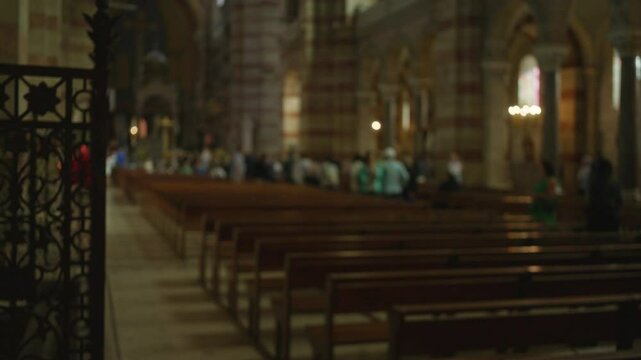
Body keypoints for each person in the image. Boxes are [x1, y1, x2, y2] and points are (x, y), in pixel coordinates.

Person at [586, 158, 622, 232]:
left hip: (594, 220)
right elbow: (619, 202)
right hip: (610, 219)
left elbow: (589, 204)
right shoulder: (613, 183)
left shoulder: (593, 184)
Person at [530, 161, 563, 227]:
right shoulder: (541, 182)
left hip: (547, 216)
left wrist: (541, 195)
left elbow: (557, 195)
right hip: (538, 214)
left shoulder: (553, 181)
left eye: (540, 168)